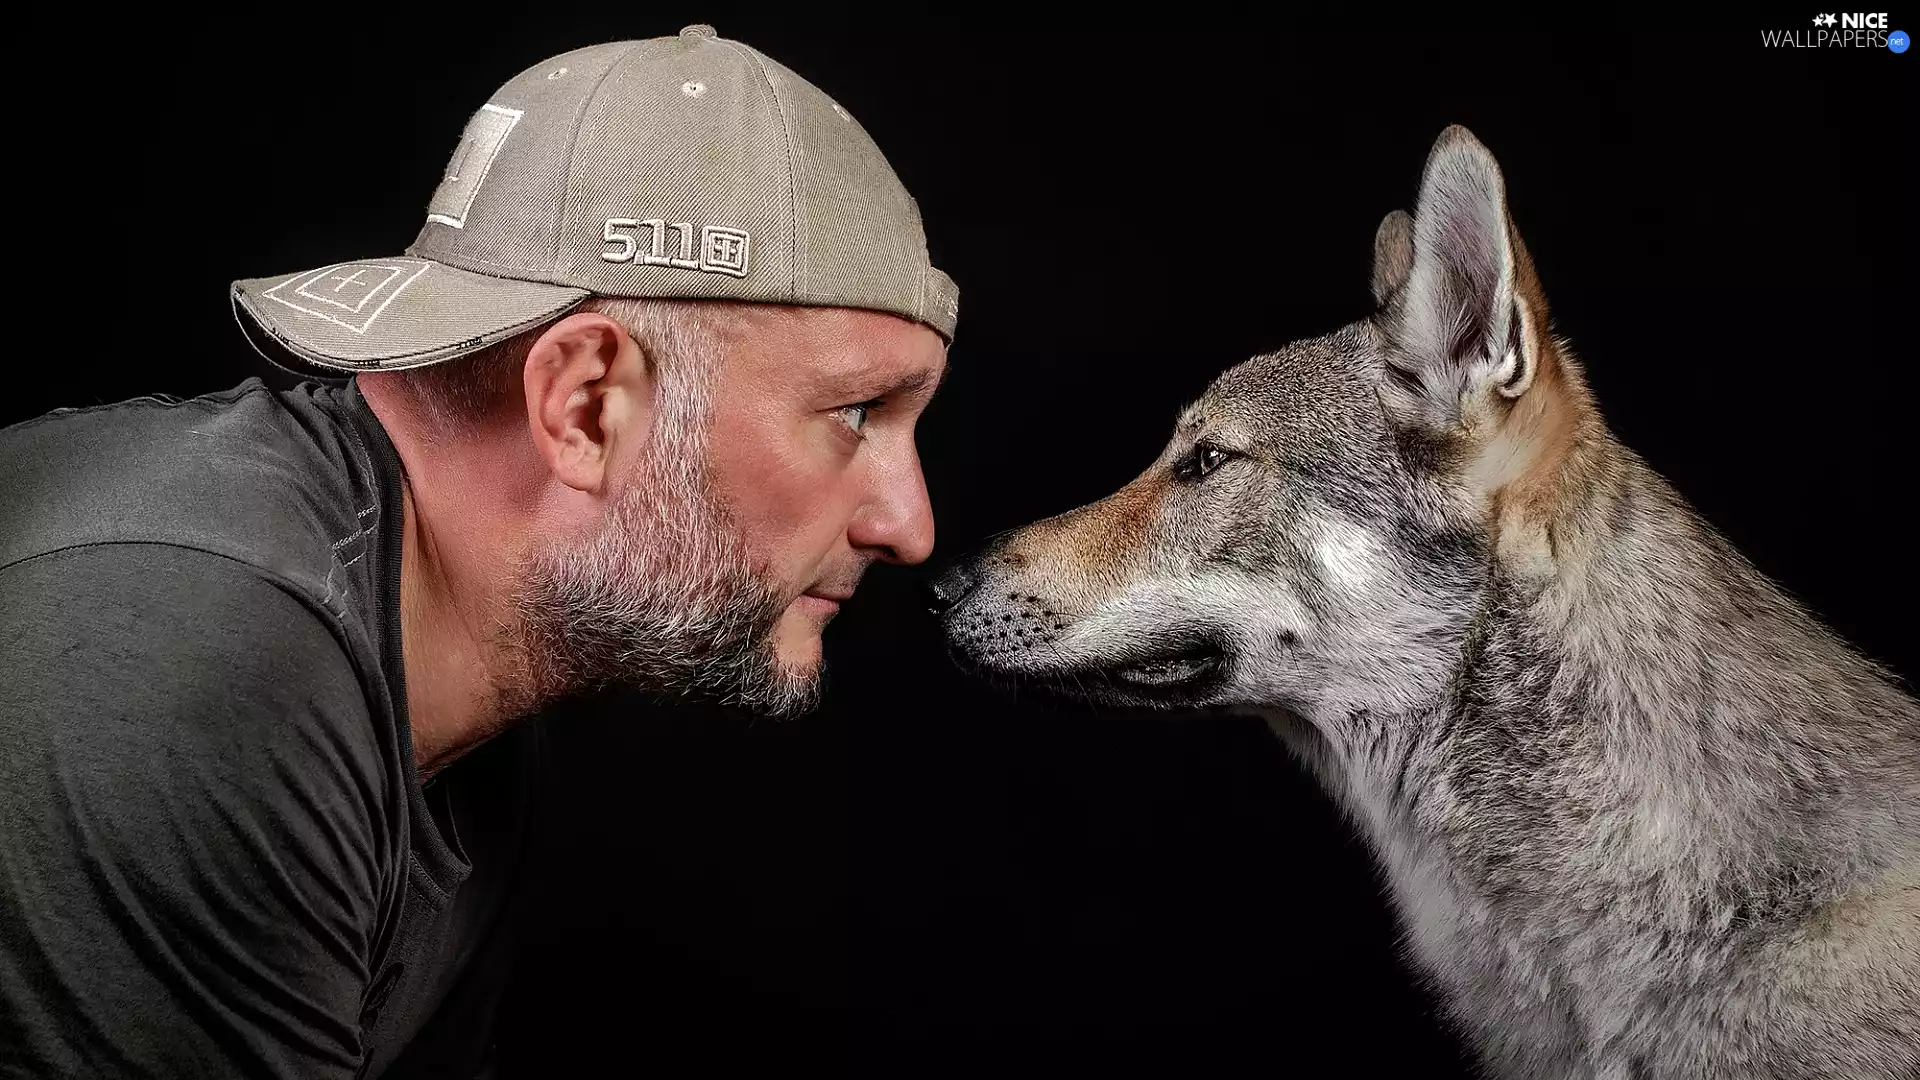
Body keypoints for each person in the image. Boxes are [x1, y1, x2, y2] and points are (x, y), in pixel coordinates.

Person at [0, 25, 956, 1079]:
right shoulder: (179, 660)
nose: (908, 527)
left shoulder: (468, 714)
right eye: (857, 412)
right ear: (587, 404)